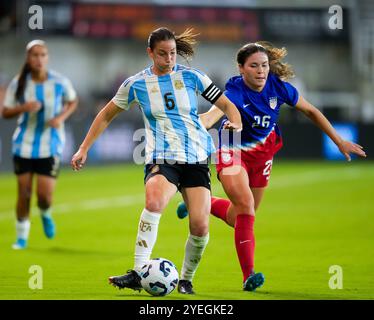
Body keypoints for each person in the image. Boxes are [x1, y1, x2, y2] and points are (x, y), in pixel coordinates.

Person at [176, 42, 367, 292]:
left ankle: (201, 202)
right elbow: (213, 116)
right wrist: (189, 124)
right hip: (231, 147)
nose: (260, 71)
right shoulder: (234, 91)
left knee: (240, 217)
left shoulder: (279, 88)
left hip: (263, 154)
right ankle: (249, 275)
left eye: (264, 65)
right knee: (245, 206)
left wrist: (339, 140)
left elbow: (311, 111)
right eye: (254, 66)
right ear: (241, 69)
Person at [71, 27, 242, 294]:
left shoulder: (193, 77)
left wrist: (236, 122)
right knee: (154, 202)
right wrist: (83, 148)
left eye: (173, 53)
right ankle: (139, 272)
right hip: (162, 157)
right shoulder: (135, 84)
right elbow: (105, 115)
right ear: (150, 53)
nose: (169, 59)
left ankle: (186, 279)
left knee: (200, 225)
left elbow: (227, 104)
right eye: (162, 54)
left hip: (196, 157)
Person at [2, 40, 78, 250]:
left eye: (43, 54)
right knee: (24, 193)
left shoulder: (59, 82)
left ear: (48, 58)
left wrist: (61, 117)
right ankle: (21, 237)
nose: (39, 59)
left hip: (50, 144)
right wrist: (24, 107)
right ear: (28, 58)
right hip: (23, 144)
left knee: (43, 197)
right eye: (35, 55)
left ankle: (45, 213)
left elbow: (73, 101)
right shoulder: (19, 83)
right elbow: (6, 111)